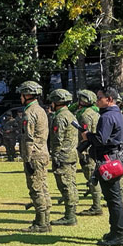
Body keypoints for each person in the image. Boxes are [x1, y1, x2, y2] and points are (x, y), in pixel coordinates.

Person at [85, 87, 123, 246]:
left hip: (109, 161)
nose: (97, 101)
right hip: (118, 159)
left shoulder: (107, 117)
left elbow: (101, 140)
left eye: (99, 98)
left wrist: (88, 136)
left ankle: (118, 234)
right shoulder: (121, 116)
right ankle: (115, 231)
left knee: (113, 198)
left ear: (109, 99)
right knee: (113, 198)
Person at [17, 81, 51, 233]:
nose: (20, 97)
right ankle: (44, 219)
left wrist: (28, 158)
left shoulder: (29, 113)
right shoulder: (41, 110)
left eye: (22, 94)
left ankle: (42, 223)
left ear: (27, 95)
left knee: (36, 189)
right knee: (43, 187)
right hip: (43, 152)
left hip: (34, 155)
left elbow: (28, 137)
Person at [47, 89, 79, 225]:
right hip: (71, 154)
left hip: (63, 157)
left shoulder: (60, 117)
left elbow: (57, 139)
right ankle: (71, 213)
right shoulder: (71, 115)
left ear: (57, 102)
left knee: (65, 185)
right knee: (71, 183)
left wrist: (55, 155)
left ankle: (70, 216)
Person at [74, 90, 103, 216]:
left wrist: (83, 151)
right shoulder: (95, 112)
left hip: (88, 150)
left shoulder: (85, 115)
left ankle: (96, 206)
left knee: (91, 177)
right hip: (94, 148)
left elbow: (85, 135)